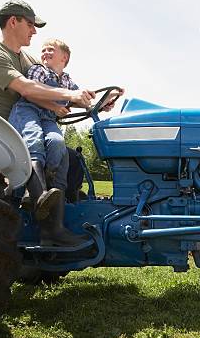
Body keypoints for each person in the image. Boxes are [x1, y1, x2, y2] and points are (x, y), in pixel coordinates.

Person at [0, 0, 104, 246]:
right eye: (31, 25)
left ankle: (60, 222)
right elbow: (27, 88)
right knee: (34, 143)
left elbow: (54, 89)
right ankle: (40, 206)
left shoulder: (27, 58)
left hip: (33, 119)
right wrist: (69, 97)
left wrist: (87, 101)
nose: (34, 31)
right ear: (13, 22)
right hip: (6, 128)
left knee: (71, 159)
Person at [9, 38, 119, 246]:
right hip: (28, 111)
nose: (45, 53)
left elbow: (82, 100)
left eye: (51, 49)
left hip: (48, 118)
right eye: (43, 50)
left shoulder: (67, 80)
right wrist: (53, 106)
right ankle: (34, 193)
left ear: (64, 57)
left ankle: (54, 208)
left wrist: (106, 100)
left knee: (58, 143)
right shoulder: (38, 70)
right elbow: (31, 93)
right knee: (34, 140)